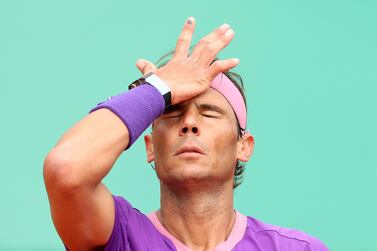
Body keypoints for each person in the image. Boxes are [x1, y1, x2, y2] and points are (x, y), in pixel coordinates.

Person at [43, 17, 329, 251]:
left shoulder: (296, 248)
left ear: (244, 145)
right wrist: (157, 90)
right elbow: (65, 168)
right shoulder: (120, 237)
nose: (190, 123)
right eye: (173, 113)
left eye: (209, 113)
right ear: (150, 146)